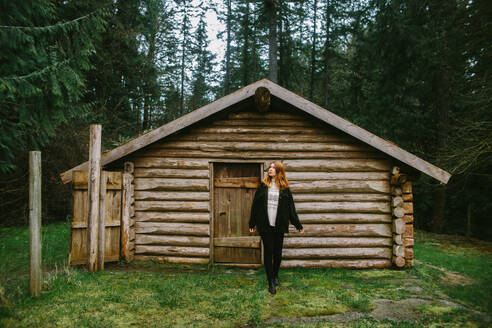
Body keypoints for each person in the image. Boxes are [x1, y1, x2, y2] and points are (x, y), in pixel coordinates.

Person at [249, 161, 304, 294]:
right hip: (265, 225)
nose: (271, 170)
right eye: (270, 168)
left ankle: (275, 275)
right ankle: (271, 282)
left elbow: (291, 209)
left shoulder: (285, 189)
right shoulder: (263, 186)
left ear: (280, 171)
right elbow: (255, 206)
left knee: (277, 253)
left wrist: (298, 225)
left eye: (274, 168)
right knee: (268, 252)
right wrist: (252, 223)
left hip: (279, 225)